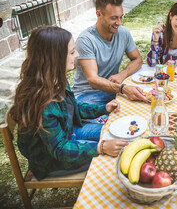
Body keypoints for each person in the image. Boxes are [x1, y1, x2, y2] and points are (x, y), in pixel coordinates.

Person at [9, 26, 128, 179]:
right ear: (54, 57)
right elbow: (59, 150)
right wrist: (101, 148)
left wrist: (103, 108)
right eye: (72, 52)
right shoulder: (42, 102)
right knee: (115, 156)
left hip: (68, 135)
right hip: (52, 162)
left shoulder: (55, 78)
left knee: (119, 136)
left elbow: (72, 107)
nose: (77, 55)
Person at [73, 0, 147, 108]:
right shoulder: (85, 40)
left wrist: (122, 75)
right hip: (87, 95)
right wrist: (123, 88)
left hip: (113, 91)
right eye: (114, 18)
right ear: (99, 14)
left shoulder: (123, 33)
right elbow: (93, 79)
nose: (119, 22)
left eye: (121, 17)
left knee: (143, 105)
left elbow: (138, 59)